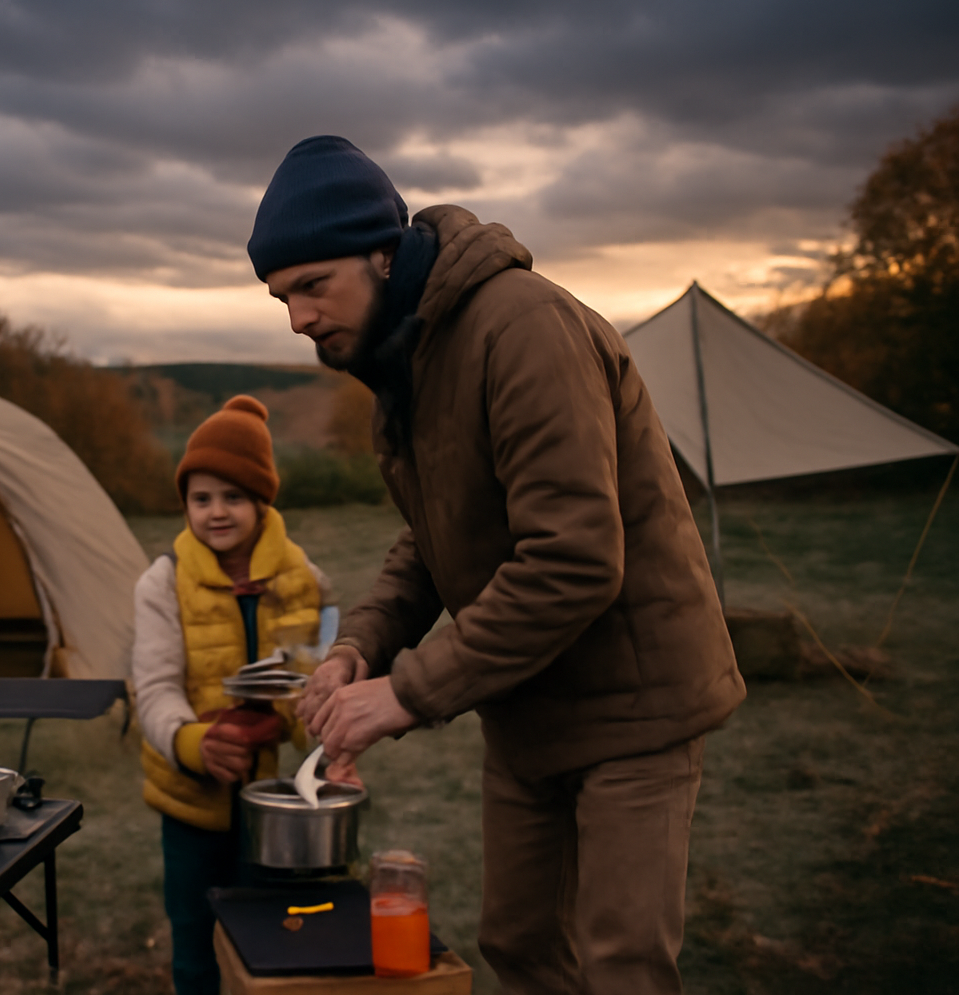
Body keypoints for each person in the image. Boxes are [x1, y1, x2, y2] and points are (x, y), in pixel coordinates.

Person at [248, 136, 746, 994]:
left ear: (381, 252)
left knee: (622, 963)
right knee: (517, 946)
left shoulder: (521, 327)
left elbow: (574, 558)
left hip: (634, 706)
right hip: (524, 708)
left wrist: (405, 692)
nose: (298, 318)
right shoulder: (406, 364)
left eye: (311, 286)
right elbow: (434, 538)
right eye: (280, 297)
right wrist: (357, 649)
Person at [132, 395, 334, 995]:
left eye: (233, 496)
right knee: (195, 940)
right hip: (189, 802)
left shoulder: (306, 581)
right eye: (201, 498)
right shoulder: (162, 582)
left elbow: (312, 682)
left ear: (261, 499)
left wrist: (323, 740)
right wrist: (192, 743)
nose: (216, 512)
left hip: (274, 805)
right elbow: (155, 688)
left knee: (269, 938)